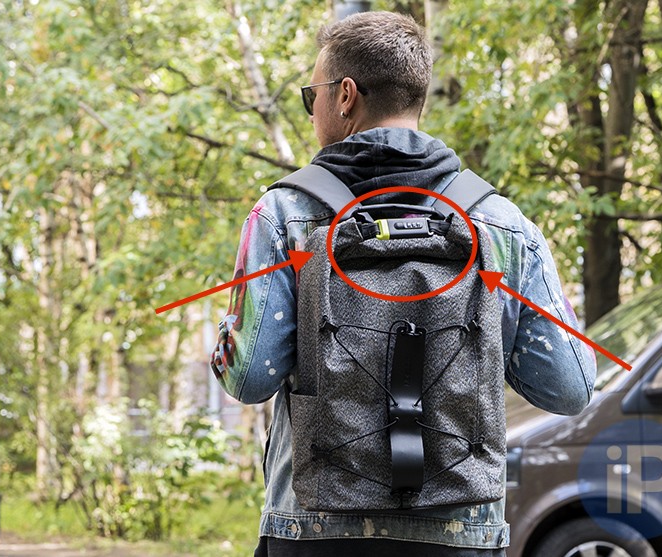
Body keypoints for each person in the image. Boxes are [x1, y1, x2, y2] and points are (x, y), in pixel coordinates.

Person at [210, 11, 596, 557]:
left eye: (311, 96)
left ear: (346, 95)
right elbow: (569, 387)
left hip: (315, 531)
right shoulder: (501, 224)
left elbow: (248, 376)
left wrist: (229, 333)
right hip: (461, 534)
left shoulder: (283, 215)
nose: (312, 109)